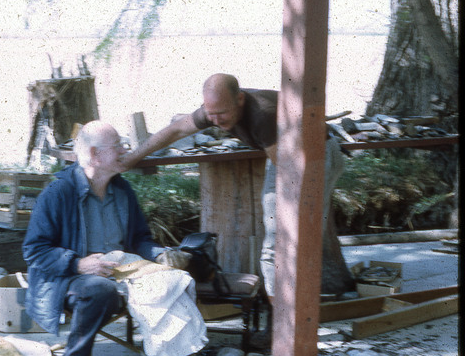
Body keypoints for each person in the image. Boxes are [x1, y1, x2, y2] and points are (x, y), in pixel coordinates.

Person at [121, 73, 345, 299]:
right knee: (302, 231)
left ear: (240, 100)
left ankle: (284, 320)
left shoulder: (262, 115)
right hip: (287, 157)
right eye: (211, 114)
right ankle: (334, 291)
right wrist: (131, 158)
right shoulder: (218, 108)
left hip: (317, 156)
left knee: (280, 242)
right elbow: (175, 131)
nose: (216, 120)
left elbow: (289, 176)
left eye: (222, 114)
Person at [22, 120, 191, 356]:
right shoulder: (58, 193)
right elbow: (34, 251)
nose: (126, 150)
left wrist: (161, 255)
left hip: (122, 271)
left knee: (176, 278)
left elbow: (139, 239)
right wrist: (77, 264)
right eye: (118, 146)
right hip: (67, 278)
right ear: (94, 154)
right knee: (99, 289)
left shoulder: (122, 190)